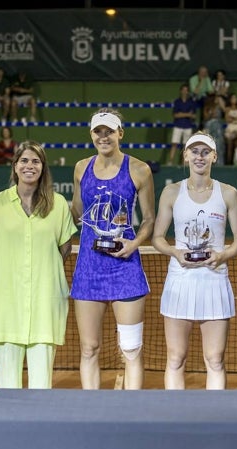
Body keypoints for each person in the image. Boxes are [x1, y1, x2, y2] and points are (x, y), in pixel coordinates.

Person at [151, 132, 237, 389]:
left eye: (205, 152)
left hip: (215, 281)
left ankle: (212, 422)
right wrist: (175, 252)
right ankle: (175, 420)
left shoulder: (229, 194)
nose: (199, 156)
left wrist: (223, 254)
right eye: (194, 151)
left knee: (215, 360)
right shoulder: (171, 192)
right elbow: (158, 238)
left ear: (214, 156)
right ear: (186, 155)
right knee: (175, 358)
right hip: (179, 281)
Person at [70, 108, 155, 390]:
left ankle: (130, 417)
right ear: (91, 134)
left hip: (125, 267)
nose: (103, 137)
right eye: (98, 131)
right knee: (89, 348)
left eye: (109, 131)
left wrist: (134, 243)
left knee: (131, 350)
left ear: (120, 133)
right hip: (89, 268)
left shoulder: (139, 169)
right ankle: (90, 414)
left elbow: (149, 219)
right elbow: (77, 212)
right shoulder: (81, 168)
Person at [0, 141, 77, 389]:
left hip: (45, 302)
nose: (29, 166)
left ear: (43, 168)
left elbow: (64, 248)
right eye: (24, 160)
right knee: (8, 383)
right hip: (6, 302)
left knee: (41, 385)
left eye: (35, 161)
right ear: (15, 167)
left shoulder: (58, 205)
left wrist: (40, 267)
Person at [167, 83, 197, 166]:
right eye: (183, 90)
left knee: (186, 146)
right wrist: (187, 114)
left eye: (186, 90)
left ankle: (184, 162)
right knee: (174, 143)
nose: (185, 92)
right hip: (178, 125)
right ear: (180, 91)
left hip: (188, 126)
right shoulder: (177, 102)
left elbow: (194, 115)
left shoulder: (191, 102)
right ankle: (170, 161)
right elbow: (175, 115)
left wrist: (182, 114)